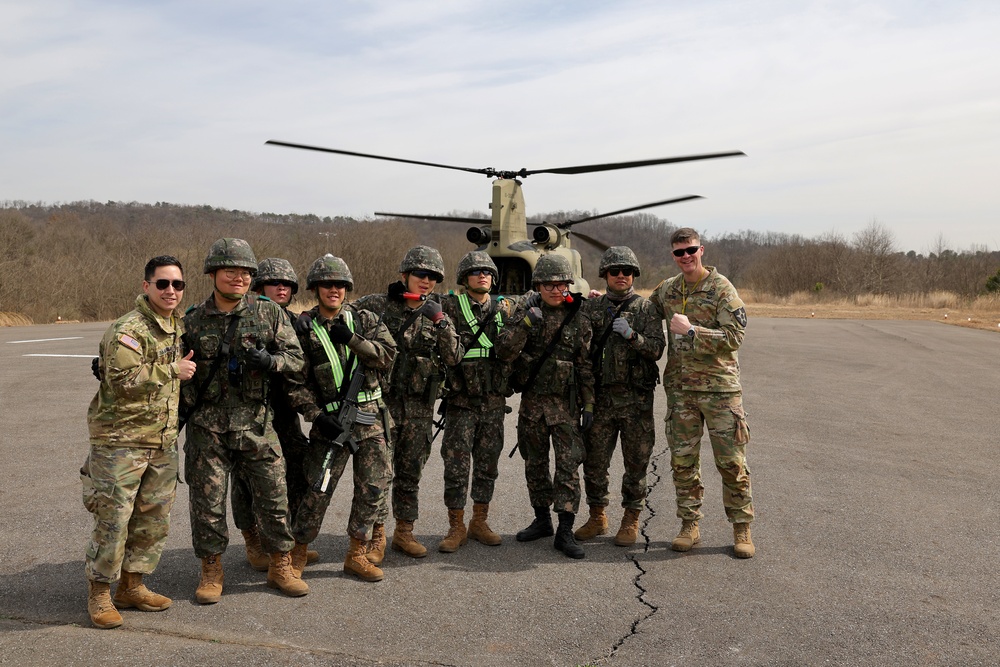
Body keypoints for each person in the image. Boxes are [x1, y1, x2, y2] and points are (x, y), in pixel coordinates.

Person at [181, 238, 309, 603]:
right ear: (213, 274)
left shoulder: (268, 312)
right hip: (208, 426)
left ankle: (280, 565)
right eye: (229, 271)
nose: (237, 278)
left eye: (244, 273)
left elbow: (296, 359)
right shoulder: (192, 319)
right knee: (207, 503)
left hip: (256, 422)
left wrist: (272, 363)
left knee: (273, 496)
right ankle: (211, 569)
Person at [82, 255, 196, 628]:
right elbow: (121, 380)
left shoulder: (176, 325)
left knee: (152, 520)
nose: (170, 290)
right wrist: (172, 371)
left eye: (177, 284)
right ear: (146, 286)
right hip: (121, 442)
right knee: (114, 519)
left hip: (161, 441)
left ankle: (132, 585)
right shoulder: (129, 329)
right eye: (162, 283)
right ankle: (99, 592)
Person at [286, 254, 396, 581]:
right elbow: (294, 383)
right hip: (331, 423)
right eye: (326, 285)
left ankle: (357, 554)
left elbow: (388, 355)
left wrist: (352, 340)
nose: (333, 290)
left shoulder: (364, 321)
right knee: (316, 490)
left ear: (347, 288)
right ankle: (298, 551)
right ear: (316, 288)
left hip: (371, 419)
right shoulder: (304, 328)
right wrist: (316, 416)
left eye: (339, 285)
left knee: (373, 488)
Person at [649, 228, 755, 558]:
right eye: (679, 252)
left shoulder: (722, 289)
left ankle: (741, 528)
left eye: (691, 250)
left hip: (720, 391)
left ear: (702, 250)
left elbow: (734, 338)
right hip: (681, 391)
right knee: (683, 463)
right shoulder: (668, 289)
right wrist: (603, 298)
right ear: (673, 255)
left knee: (731, 463)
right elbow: (643, 311)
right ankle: (689, 525)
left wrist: (693, 331)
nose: (686, 256)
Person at [356, 246, 462, 559]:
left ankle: (404, 531)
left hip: (419, 407)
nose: (426, 281)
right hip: (383, 405)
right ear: (405, 275)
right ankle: (377, 536)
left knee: (410, 472)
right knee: (378, 474)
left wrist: (440, 320)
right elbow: (342, 317)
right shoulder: (377, 304)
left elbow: (455, 356)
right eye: (420, 274)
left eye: (432, 276)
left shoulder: (438, 310)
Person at [497, 254, 594, 560]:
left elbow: (585, 364)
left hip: (565, 406)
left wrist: (589, 403)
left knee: (567, 466)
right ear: (538, 285)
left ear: (569, 284)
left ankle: (565, 530)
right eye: (549, 284)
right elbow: (503, 349)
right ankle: (542, 520)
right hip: (533, 406)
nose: (556, 290)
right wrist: (526, 324)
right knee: (535, 465)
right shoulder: (526, 311)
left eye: (561, 284)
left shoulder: (577, 316)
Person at [230, 258, 317, 572]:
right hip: (249, 415)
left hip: (285, 413)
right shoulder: (248, 318)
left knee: (296, 474)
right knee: (244, 482)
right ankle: (253, 540)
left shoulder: (296, 321)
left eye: (287, 285)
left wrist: (308, 320)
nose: (281, 288)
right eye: (274, 283)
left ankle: (286, 540)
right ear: (259, 288)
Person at [576, 247, 665, 546]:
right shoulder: (592, 309)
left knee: (637, 462)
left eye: (627, 271)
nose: (621, 276)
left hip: (636, 402)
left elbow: (656, 350)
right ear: (605, 275)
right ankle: (597, 515)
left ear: (634, 275)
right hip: (600, 401)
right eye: (615, 271)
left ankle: (631, 518)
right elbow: (581, 354)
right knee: (594, 462)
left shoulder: (646, 309)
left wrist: (632, 336)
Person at [436, 251, 516, 552]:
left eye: (487, 272)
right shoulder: (450, 306)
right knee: (456, 466)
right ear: (464, 278)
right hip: (461, 403)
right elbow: (415, 300)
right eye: (475, 271)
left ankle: (479, 520)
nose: (482, 275)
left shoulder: (505, 308)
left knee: (487, 465)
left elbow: (543, 301)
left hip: (493, 403)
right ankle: (456, 525)